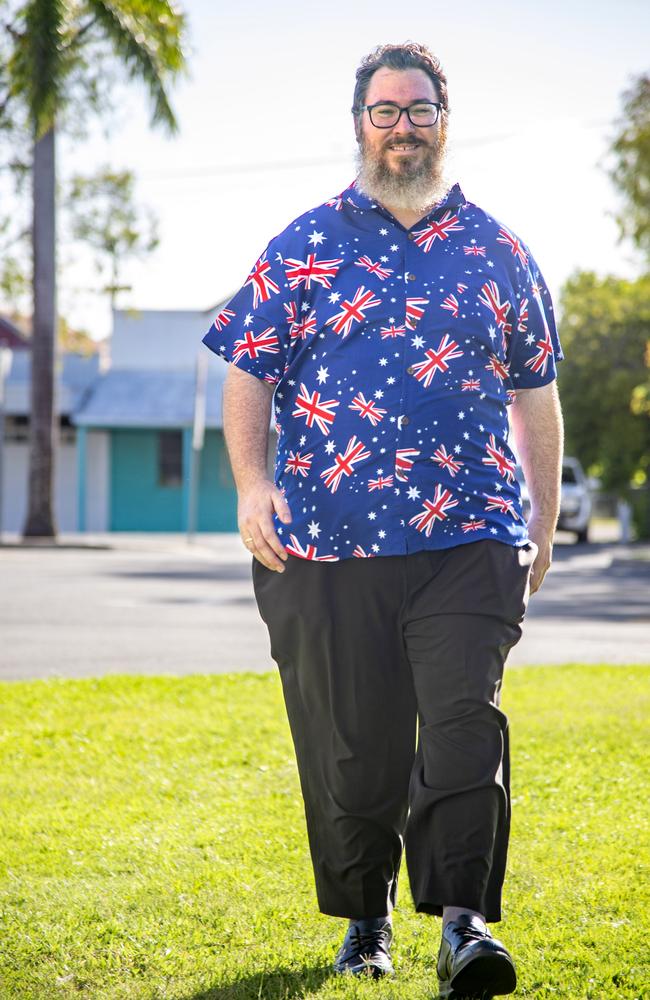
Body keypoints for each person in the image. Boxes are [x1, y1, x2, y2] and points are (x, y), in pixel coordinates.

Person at [202, 41, 563, 1000]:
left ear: (447, 118)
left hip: (471, 535)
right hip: (324, 542)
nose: (403, 125)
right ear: (359, 122)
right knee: (353, 745)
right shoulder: (305, 242)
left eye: (420, 109)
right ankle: (364, 922)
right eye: (385, 110)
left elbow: (536, 391)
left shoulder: (498, 249)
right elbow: (249, 373)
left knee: (460, 725)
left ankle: (462, 925)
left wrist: (548, 514)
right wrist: (251, 487)